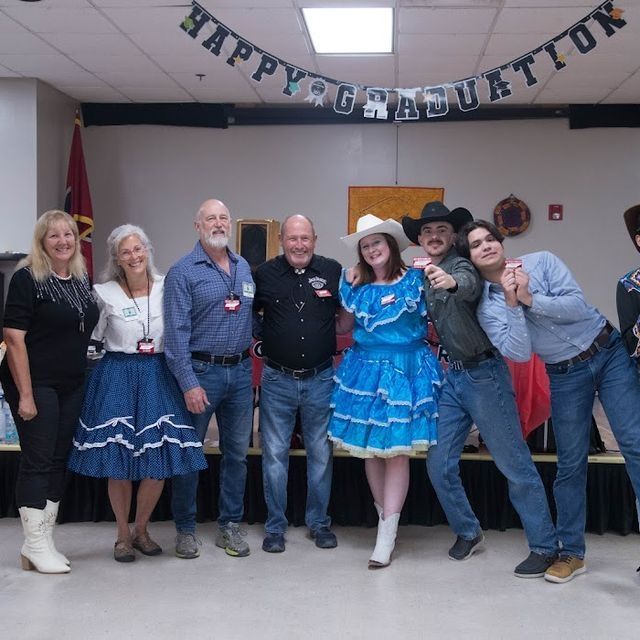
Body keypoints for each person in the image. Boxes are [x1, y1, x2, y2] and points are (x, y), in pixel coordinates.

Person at [459, 218, 640, 583]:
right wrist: (513, 304)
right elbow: (520, 352)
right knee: (571, 463)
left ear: (501, 242)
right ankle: (572, 553)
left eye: (490, 238)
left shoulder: (541, 261)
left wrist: (529, 297)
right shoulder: (487, 307)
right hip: (565, 375)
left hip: (608, 354)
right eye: (476, 245)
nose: (487, 246)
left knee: (636, 446)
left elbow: (576, 306)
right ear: (471, 259)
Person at [401, 202, 558, 578]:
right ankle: (469, 531)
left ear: (453, 235)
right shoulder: (423, 272)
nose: (434, 236)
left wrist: (452, 282)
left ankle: (545, 547)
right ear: (420, 240)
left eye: (441, 229)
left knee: (514, 465)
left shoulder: (461, 265)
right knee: (438, 463)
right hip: (452, 379)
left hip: (485, 376)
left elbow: (467, 286)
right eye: (427, 232)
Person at [67, 225, 207, 562]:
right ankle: (121, 536)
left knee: (157, 461)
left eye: (138, 249)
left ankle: (141, 530)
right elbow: (91, 339)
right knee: (119, 461)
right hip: (117, 373)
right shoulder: (103, 292)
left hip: (159, 373)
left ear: (148, 250)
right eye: (125, 251)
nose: (134, 256)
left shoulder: (167, 286)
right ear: (116, 258)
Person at [329, 214, 442, 568]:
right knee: (370, 451)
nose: (371, 249)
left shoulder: (416, 281)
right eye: (365, 245)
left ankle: (386, 537)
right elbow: (344, 327)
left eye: (376, 242)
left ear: (390, 245)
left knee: (396, 452)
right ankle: (385, 521)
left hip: (406, 371)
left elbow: (440, 320)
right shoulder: (356, 284)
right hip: (364, 370)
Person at [1, 210, 99, 574]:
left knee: (59, 460)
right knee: (38, 460)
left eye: (69, 235)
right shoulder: (28, 278)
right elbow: (13, 338)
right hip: (34, 383)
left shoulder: (78, 277)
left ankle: (41, 542)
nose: (63, 241)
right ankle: (35, 543)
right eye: (54, 236)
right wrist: (25, 395)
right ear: (41, 241)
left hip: (70, 383)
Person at [164, 199, 255, 559]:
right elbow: (175, 336)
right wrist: (188, 383)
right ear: (197, 226)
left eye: (223, 218)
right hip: (201, 373)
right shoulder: (182, 272)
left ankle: (229, 526)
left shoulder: (243, 266)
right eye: (210, 219)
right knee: (190, 454)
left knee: (237, 456)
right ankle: (185, 529)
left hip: (241, 372)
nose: (218, 224)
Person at [253, 214, 347, 553]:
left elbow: (346, 312)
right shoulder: (263, 274)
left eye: (305, 238)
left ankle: (319, 523)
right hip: (277, 379)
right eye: (293, 238)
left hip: (321, 378)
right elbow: (248, 311)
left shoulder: (333, 271)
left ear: (315, 239)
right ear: (282, 240)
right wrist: (262, 333)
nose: (299, 245)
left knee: (321, 454)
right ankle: (275, 527)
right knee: (274, 456)